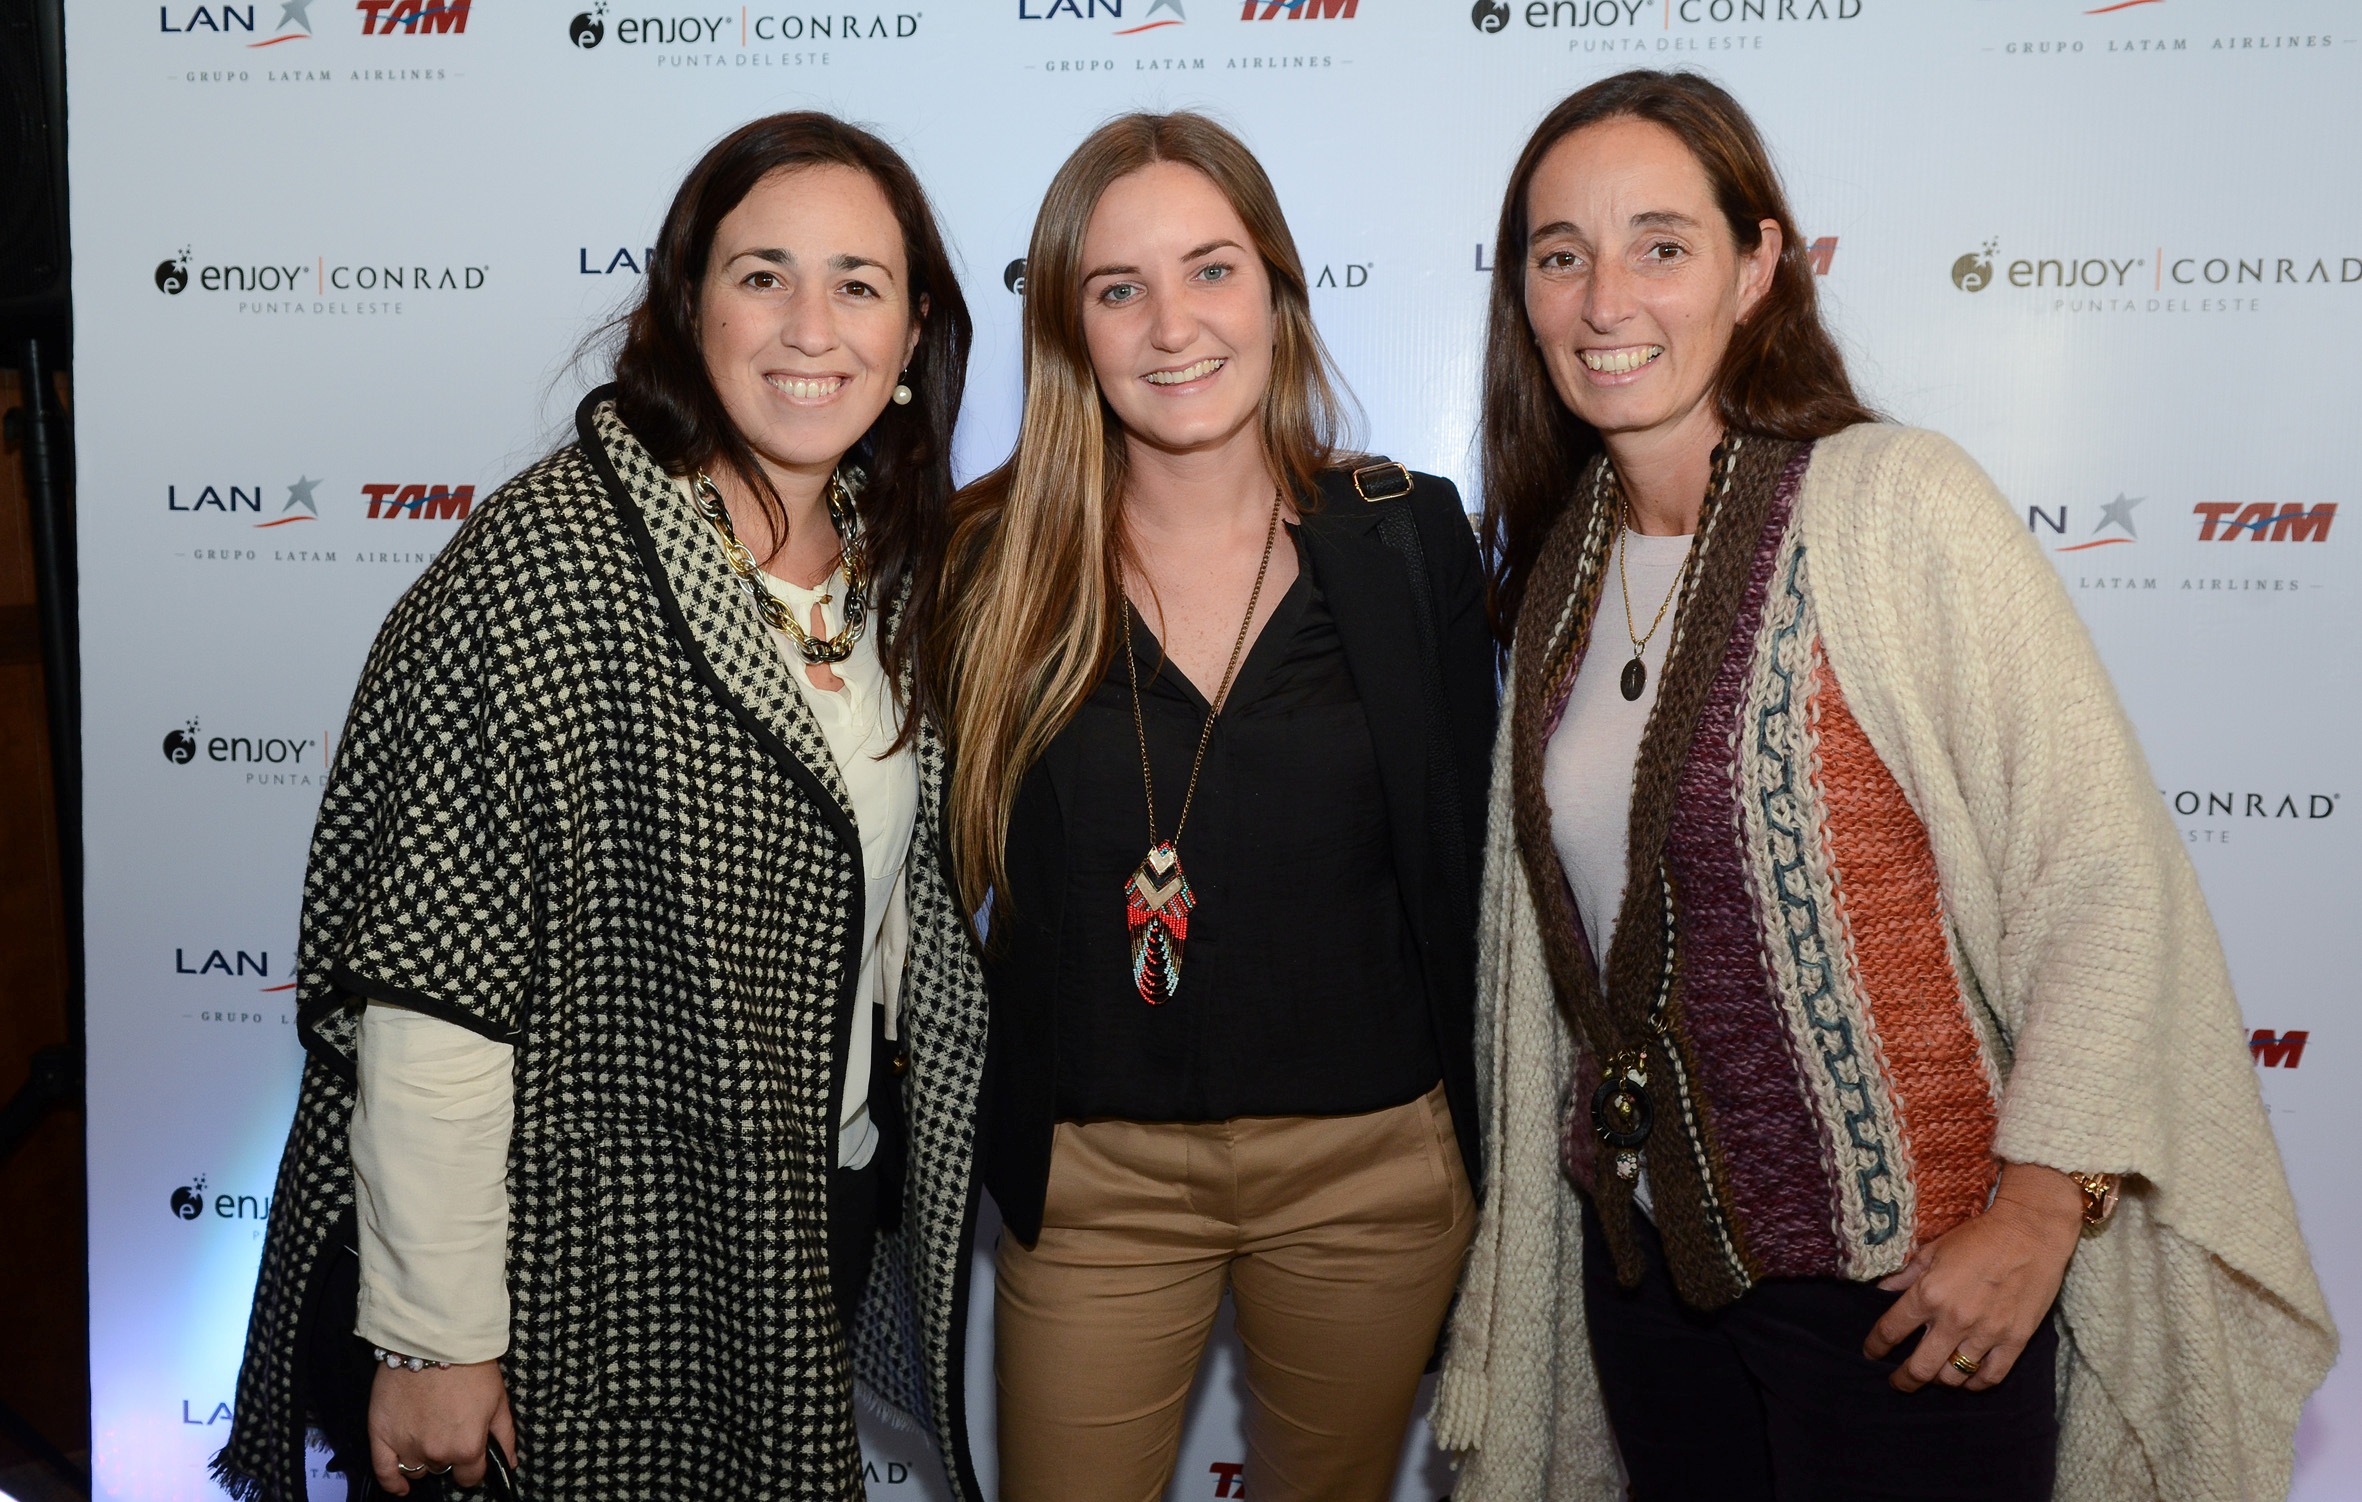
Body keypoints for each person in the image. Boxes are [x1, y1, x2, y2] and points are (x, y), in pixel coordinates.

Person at [1429, 70, 2335, 1502]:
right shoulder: (1558, 570)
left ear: (1757, 265)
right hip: (1649, 1290)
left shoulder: (1893, 504)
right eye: (1560, 255)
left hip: (1902, 1298)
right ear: (1522, 295)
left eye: (1659, 244)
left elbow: (2097, 867)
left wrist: (2043, 1205)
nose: (1606, 298)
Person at [211, 112, 988, 1502]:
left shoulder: (885, 568)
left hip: (796, 1209)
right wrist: (437, 1333)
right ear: (687, 305)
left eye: (858, 283)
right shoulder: (548, 562)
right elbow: (433, 994)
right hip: (583, 1254)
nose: (810, 324)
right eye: (762, 274)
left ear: (915, 330)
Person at [935, 112, 1495, 1502]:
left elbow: (1477, 858)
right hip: (1096, 1179)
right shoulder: (984, 561)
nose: (1170, 324)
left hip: (1373, 1170)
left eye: (1210, 270)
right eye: (1115, 288)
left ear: (1276, 289)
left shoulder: (1404, 531)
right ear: (1067, 328)